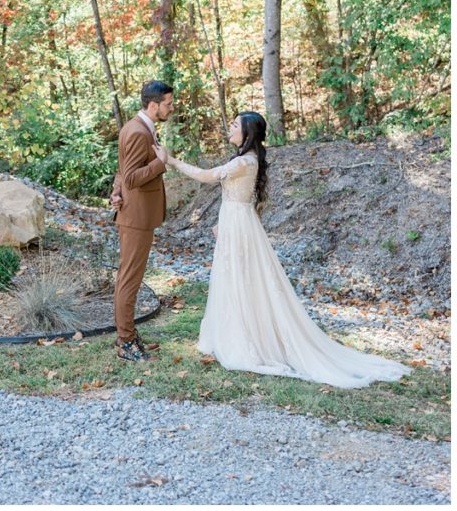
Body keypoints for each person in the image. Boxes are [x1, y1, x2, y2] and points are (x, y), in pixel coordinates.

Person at [157, 111, 409, 388]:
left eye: (234, 125)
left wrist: (170, 159)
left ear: (248, 133)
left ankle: (248, 340)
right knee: (233, 278)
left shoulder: (244, 161)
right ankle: (232, 333)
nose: (229, 128)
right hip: (235, 221)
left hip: (239, 225)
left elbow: (206, 176)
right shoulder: (245, 160)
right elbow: (234, 195)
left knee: (243, 279)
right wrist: (221, 223)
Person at [109, 80, 174, 362]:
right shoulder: (137, 131)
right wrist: (161, 163)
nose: (171, 108)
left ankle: (129, 334)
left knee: (129, 279)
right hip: (135, 219)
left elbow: (124, 170)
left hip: (137, 215)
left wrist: (115, 190)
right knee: (129, 281)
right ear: (153, 105)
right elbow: (134, 177)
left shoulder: (138, 126)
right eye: (168, 104)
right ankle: (125, 343)